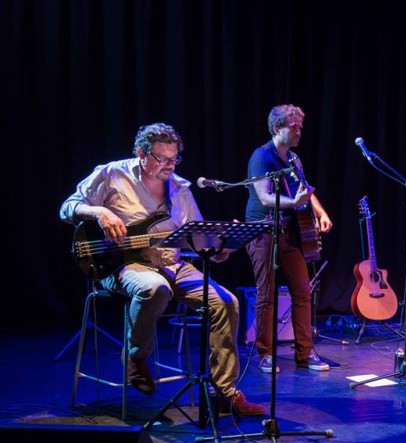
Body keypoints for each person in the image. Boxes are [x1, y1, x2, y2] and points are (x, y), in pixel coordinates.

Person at [60, 122, 265, 416]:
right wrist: (100, 211)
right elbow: (68, 207)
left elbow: (197, 238)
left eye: (174, 158)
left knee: (226, 302)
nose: (170, 165)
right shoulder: (111, 174)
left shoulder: (180, 188)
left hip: (171, 263)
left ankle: (224, 392)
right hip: (119, 263)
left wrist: (222, 246)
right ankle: (135, 356)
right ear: (141, 153)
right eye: (163, 158)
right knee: (154, 288)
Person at [245, 104, 333, 374]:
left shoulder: (294, 159)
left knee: (303, 292)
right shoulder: (261, 157)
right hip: (263, 231)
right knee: (267, 295)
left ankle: (305, 352)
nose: (298, 132)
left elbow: (305, 190)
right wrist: (293, 203)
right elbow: (264, 197)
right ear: (276, 129)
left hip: (291, 233)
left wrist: (320, 212)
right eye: (293, 127)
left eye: (300, 127)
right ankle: (266, 354)